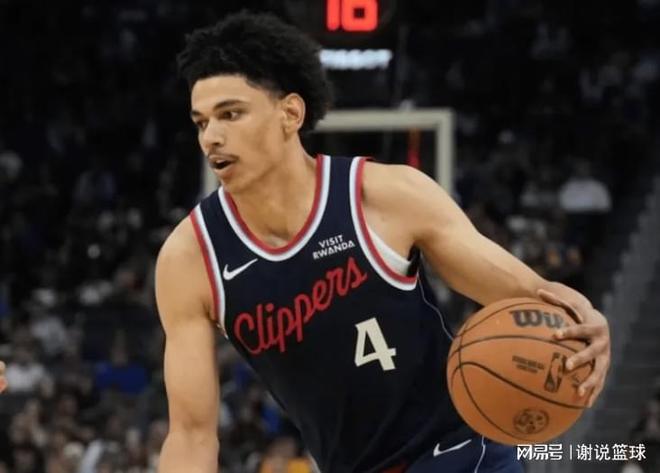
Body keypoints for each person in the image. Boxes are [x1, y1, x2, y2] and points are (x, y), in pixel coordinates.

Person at [1, 11, 611, 473]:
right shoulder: (191, 259)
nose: (211, 136)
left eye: (231, 114)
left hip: (465, 453)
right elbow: (191, 435)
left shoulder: (385, 195)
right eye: (201, 121)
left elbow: (532, 296)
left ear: (290, 114)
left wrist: (584, 323)